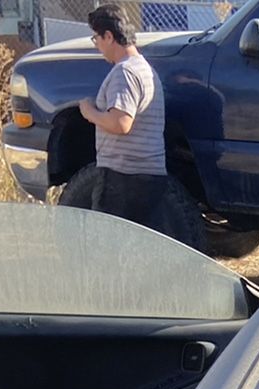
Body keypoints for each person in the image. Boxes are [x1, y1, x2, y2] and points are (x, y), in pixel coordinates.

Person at [63, 2, 198, 244]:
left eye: (97, 39)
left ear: (109, 36)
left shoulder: (124, 73)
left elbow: (121, 123)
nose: (97, 46)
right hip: (147, 176)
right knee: (136, 246)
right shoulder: (145, 70)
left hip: (123, 176)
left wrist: (89, 111)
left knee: (108, 246)